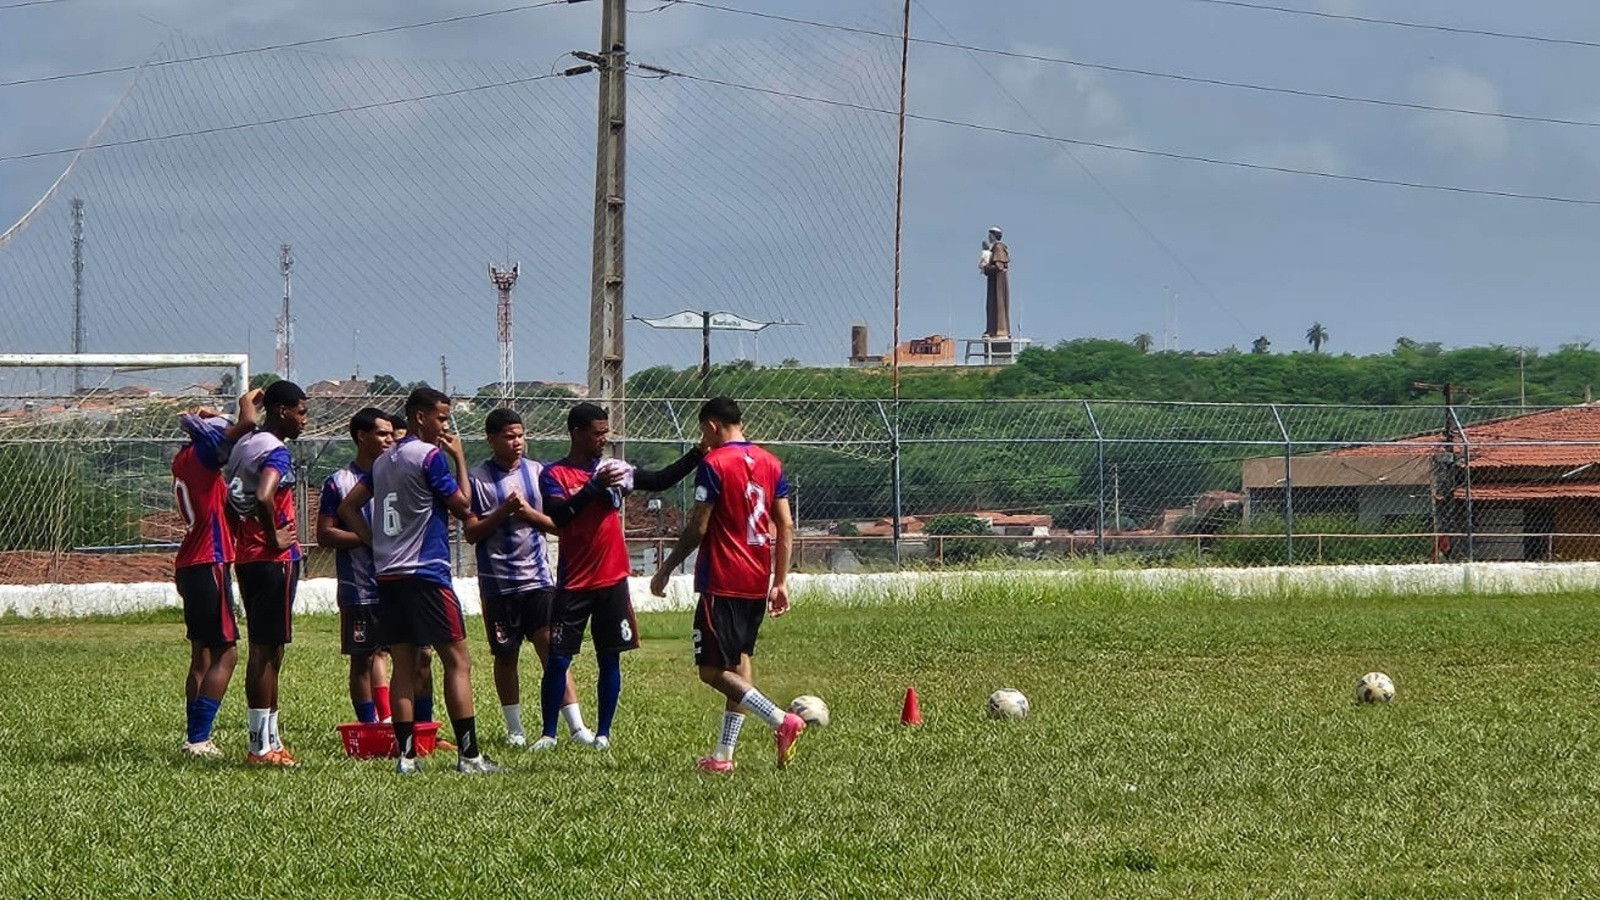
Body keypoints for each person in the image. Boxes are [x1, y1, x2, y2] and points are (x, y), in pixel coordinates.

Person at [340, 387, 497, 774]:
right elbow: (463, 506)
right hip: (426, 573)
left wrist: (374, 542)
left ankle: (406, 757)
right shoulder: (427, 456)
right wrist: (458, 457)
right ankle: (470, 756)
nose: (446, 425)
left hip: (388, 575)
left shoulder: (381, 462)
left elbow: (348, 507)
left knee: (404, 666)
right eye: (442, 417)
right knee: (457, 660)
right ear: (420, 417)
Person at [649, 396, 805, 772]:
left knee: (711, 671)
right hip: (756, 577)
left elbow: (699, 526)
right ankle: (723, 756)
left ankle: (781, 720)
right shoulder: (770, 462)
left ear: (712, 426)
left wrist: (666, 567)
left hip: (722, 578)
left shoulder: (714, 463)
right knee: (739, 662)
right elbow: (784, 524)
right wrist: (779, 580)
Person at [536, 402, 704, 750]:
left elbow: (659, 480)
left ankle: (603, 734)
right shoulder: (554, 475)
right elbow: (560, 517)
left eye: (605, 433)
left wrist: (697, 454)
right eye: (597, 434)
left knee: (609, 656)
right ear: (577, 433)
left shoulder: (615, 469)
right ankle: (549, 734)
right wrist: (593, 489)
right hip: (574, 583)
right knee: (558, 658)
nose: (603, 440)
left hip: (612, 580)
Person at [465, 408, 594, 749]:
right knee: (505, 657)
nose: (517, 442)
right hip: (498, 585)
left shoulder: (538, 473)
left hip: (538, 581)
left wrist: (528, 513)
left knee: (553, 651)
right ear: (491, 439)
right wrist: (503, 512)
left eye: (521, 435)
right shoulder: (477, 479)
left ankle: (576, 727)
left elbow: (558, 525)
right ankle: (515, 730)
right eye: (509, 436)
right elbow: (471, 532)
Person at [223, 379, 308, 767]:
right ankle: (259, 747)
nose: (305, 421)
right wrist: (274, 534)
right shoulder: (276, 452)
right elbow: (263, 495)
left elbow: (232, 499)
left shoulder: (245, 444)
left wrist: (248, 403)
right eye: (301, 412)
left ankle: (270, 740)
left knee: (269, 648)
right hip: (273, 559)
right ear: (281, 411)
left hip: (247, 556)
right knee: (265, 652)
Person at [172, 388, 261, 757]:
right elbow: (247, 424)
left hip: (190, 562)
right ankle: (198, 738)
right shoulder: (203, 460)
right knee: (227, 652)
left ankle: (193, 735)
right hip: (209, 560)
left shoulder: (184, 458)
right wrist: (246, 402)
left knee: (202, 654)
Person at [316, 408, 395, 725]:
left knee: (406, 656)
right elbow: (325, 533)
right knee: (362, 659)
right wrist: (367, 538)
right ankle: (369, 725)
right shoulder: (339, 482)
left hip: (396, 583)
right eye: (382, 433)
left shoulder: (398, 476)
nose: (389, 439)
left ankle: (398, 721)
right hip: (358, 588)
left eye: (391, 433)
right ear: (362, 436)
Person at [980, 226, 1011, 339]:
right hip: (995, 281)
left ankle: (999, 330)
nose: (988, 237)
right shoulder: (995, 248)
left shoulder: (998, 247)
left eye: (990, 235)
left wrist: (986, 268)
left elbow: (999, 266)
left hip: (998, 281)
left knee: (997, 304)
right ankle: (993, 329)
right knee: (992, 305)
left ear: (994, 236)